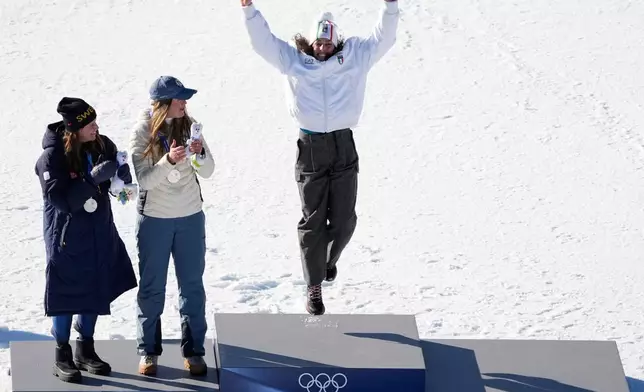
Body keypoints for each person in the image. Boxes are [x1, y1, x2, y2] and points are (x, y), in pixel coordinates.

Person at [241, 0, 400, 315]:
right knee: (314, 221)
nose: (323, 47)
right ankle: (314, 287)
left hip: (343, 145)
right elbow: (264, 44)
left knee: (344, 220)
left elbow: (385, 37)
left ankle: (327, 260)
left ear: (336, 40)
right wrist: (249, 11)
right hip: (311, 148)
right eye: (318, 42)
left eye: (328, 42)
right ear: (311, 42)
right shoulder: (294, 60)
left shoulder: (355, 57)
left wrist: (390, 6)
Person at [34, 97, 138, 383]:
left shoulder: (102, 144)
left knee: (94, 289)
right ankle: (62, 354)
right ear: (75, 128)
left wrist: (120, 178)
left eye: (96, 122)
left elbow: (114, 171)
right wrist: (91, 180)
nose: (96, 127)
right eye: (90, 124)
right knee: (66, 294)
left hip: (98, 232)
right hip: (66, 238)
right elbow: (60, 200)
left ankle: (86, 349)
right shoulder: (51, 157)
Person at [129, 76, 215, 376]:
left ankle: (194, 351)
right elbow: (145, 180)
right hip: (155, 220)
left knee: (192, 287)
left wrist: (199, 153)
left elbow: (208, 171)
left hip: (190, 216)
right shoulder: (142, 132)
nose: (185, 102)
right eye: (180, 98)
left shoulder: (191, 125)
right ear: (163, 104)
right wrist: (168, 160)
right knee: (152, 289)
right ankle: (148, 352)